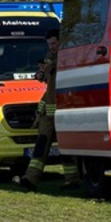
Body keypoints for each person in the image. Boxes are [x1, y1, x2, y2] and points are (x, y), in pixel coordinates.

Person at [13, 29, 78, 191]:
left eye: (55, 43)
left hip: (63, 111)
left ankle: (72, 179)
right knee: (42, 145)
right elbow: (47, 79)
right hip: (49, 114)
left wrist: (51, 67)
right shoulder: (50, 56)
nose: (52, 47)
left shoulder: (68, 57)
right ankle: (30, 179)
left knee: (66, 147)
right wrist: (41, 74)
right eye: (49, 44)